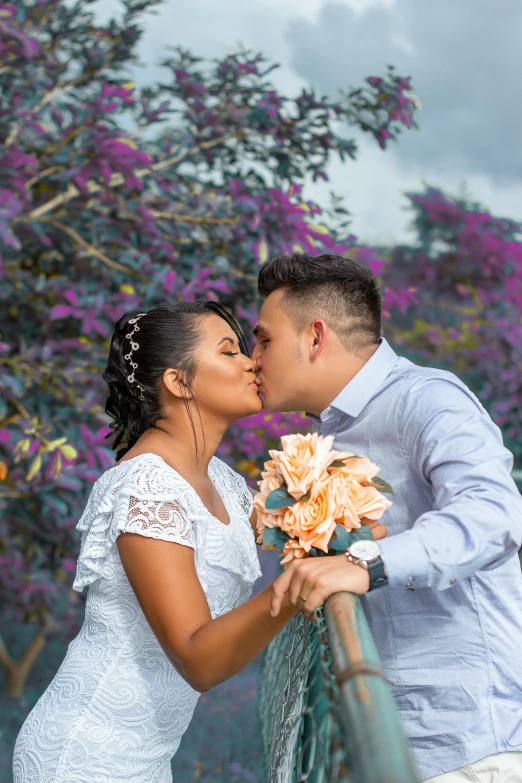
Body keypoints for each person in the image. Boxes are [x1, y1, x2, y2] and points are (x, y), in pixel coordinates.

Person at [254, 252, 522, 783]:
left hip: (464, 747)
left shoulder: (427, 399)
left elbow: (495, 515)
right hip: (370, 736)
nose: (252, 357)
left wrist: (366, 564)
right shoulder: (323, 435)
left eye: (263, 339)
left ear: (315, 338)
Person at [13, 301, 304, 783]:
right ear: (179, 382)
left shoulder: (223, 481)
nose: (251, 361)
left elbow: (303, 533)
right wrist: (296, 589)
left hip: (147, 756)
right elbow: (197, 659)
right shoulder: (147, 487)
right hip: (84, 758)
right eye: (229, 351)